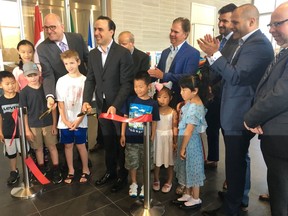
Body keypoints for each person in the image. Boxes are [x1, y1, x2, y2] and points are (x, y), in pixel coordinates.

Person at [198, 4, 274, 216]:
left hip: (241, 113)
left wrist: (215, 54)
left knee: (235, 163)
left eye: (235, 22)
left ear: (251, 22)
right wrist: (213, 57)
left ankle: (231, 208)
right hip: (233, 110)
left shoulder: (258, 45)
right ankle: (236, 196)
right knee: (236, 161)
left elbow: (236, 77)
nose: (230, 26)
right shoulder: (243, 42)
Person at [244, 2, 288, 215]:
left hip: (282, 140)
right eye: (270, 24)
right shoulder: (283, 52)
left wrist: (251, 118)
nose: (271, 29)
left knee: (281, 200)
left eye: (277, 24)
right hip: (277, 137)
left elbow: (281, 94)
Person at [82, 16, 134, 192]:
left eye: (100, 29)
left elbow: (127, 83)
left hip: (118, 107)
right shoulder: (93, 54)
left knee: (121, 143)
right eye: (95, 29)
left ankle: (122, 176)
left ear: (111, 31)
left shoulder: (122, 53)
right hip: (102, 106)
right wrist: (86, 101)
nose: (96, 32)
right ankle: (110, 172)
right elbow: (90, 79)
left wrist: (116, 104)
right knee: (108, 141)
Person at [203, 3, 237, 169]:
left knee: (229, 136)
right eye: (219, 20)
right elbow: (210, 65)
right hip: (212, 96)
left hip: (227, 95)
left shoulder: (238, 44)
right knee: (211, 127)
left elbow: (230, 72)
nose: (221, 24)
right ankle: (212, 157)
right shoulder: (216, 41)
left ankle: (232, 175)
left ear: (234, 21)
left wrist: (213, 89)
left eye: (225, 20)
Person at [19, 62, 62, 184]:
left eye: (34, 74)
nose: (32, 78)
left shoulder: (46, 88)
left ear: (39, 74)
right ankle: (41, 169)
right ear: (25, 77)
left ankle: (56, 169)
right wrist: (27, 129)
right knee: (38, 149)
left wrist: (54, 124)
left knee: (52, 146)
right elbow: (24, 113)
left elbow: (52, 109)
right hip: (33, 125)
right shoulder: (24, 93)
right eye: (29, 75)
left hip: (48, 123)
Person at [120, 71, 160, 198]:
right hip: (131, 138)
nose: (137, 89)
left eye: (141, 86)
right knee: (132, 162)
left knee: (146, 163)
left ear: (148, 86)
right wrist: (122, 134)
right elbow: (125, 118)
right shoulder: (130, 100)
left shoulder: (153, 103)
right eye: (135, 86)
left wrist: (152, 135)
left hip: (145, 140)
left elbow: (154, 121)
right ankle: (134, 183)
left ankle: (145, 184)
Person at [37, 13, 88, 109]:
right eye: (46, 28)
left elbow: (88, 61)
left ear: (62, 27)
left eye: (52, 27)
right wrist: (50, 96)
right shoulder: (42, 48)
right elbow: (48, 74)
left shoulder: (77, 38)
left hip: (83, 91)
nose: (49, 31)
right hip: (64, 98)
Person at [172, 75, 208, 210]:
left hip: (190, 143)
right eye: (181, 89)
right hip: (185, 141)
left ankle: (195, 198)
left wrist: (183, 148)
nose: (181, 93)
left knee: (193, 169)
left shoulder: (195, 107)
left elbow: (189, 130)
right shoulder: (190, 102)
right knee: (186, 168)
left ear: (195, 91)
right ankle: (187, 194)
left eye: (184, 90)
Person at [148, 17, 200, 108]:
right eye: (171, 30)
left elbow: (188, 78)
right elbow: (158, 73)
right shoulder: (165, 52)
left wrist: (164, 75)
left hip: (179, 100)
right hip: (162, 100)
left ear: (185, 35)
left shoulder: (193, 53)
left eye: (176, 32)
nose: (172, 34)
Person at [56, 50, 90, 184]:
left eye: (72, 63)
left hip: (80, 120)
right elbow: (60, 102)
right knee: (68, 146)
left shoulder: (85, 80)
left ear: (78, 62)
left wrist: (78, 119)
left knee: (81, 145)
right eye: (66, 64)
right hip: (65, 121)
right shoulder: (61, 81)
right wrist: (64, 120)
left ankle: (86, 169)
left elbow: (86, 105)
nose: (69, 66)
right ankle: (71, 170)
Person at [152, 82, 178, 193]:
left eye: (165, 97)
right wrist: (152, 137)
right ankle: (156, 179)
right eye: (159, 97)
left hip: (168, 138)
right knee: (157, 160)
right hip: (158, 137)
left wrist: (175, 141)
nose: (161, 100)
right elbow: (153, 125)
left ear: (170, 98)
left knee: (169, 160)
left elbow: (174, 127)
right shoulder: (155, 111)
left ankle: (169, 181)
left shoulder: (173, 112)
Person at [0, 71, 20, 185]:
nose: (11, 86)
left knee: (25, 152)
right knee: (11, 154)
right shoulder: (1, 100)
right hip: (8, 132)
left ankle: (29, 171)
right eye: (7, 84)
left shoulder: (20, 97)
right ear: (1, 85)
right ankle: (14, 171)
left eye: (13, 83)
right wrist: (0, 131)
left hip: (21, 131)